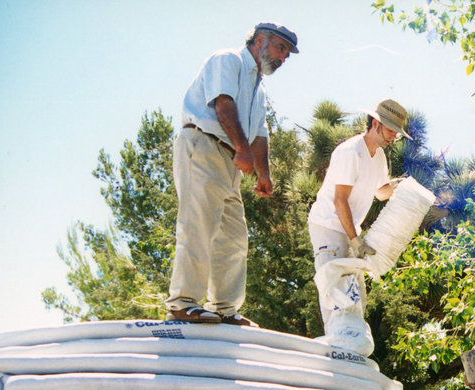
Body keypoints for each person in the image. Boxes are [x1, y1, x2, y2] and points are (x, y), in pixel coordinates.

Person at [166, 22, 298, 326]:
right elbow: (223, 104)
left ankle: (224, 309)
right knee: (198, 225)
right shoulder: (228, 59)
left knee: (234, 238)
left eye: (287, 54)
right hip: (203, 145)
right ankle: (182, 303)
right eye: (281, 49)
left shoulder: (258, 87)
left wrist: (263, 173)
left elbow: (260, 135)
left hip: (229, 160)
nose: (283, 58)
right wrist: (241, 149)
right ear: (261, 40)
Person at [306, 99, 410, 333]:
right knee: (336, 292)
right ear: (376, 124)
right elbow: (339, 200)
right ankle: (337, 349)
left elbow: (382, 193)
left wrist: (402, 188)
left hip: (349, 230)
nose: (394, 136)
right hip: (329, 227)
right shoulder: (350, 151)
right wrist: (355, 240)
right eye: (391, 130)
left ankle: (351, 349)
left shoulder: (380, 156)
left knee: (355, 294)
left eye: (397, 132)